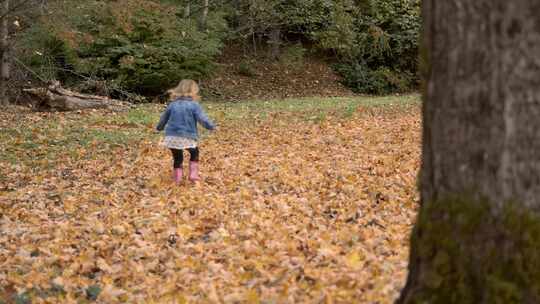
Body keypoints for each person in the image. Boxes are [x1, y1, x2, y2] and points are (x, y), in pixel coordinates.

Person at [156, 80, 215, 183]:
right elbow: (202, 119)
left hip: (171, 137)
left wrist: (159, 128)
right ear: (193, 91)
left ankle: (177, 180)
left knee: (177, 158)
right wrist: (211, 126)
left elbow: (163, 119)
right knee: (194, 152)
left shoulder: (172, 105)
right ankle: (193, 175)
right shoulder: (194, 105)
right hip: (186, 136)